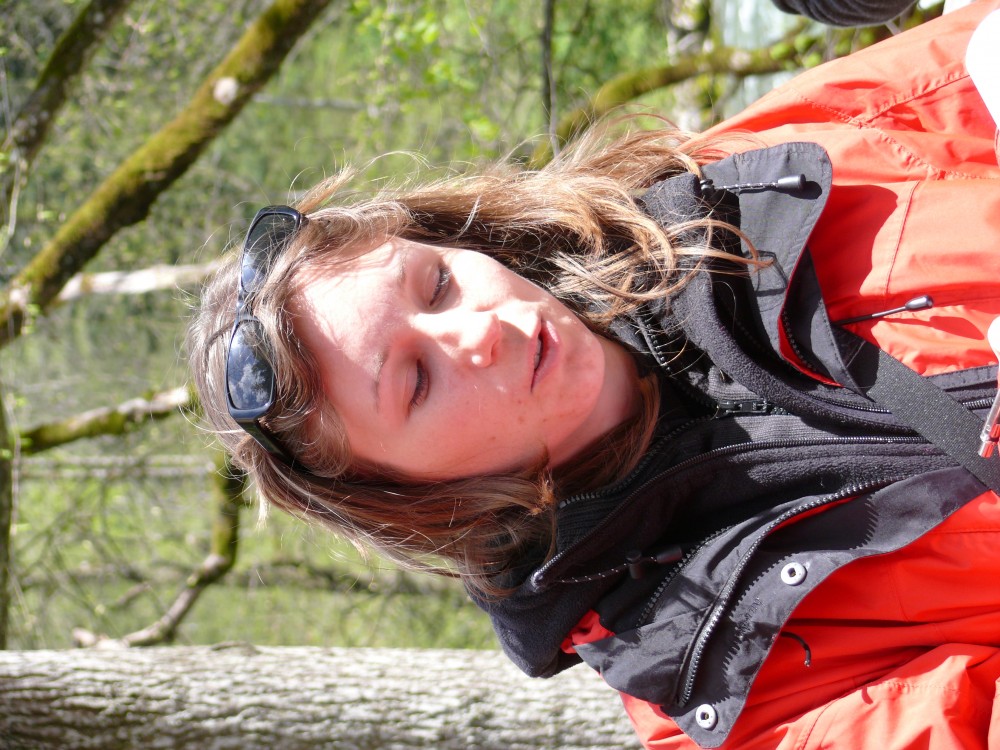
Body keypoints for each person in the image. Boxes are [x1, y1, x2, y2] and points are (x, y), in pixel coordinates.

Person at [188, 2, 1000, 747]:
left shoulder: (743, 181)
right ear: (409, 496)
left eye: (435, 284)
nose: (479, 331)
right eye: (416, 382)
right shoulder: (725, 687)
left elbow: (968, 66)